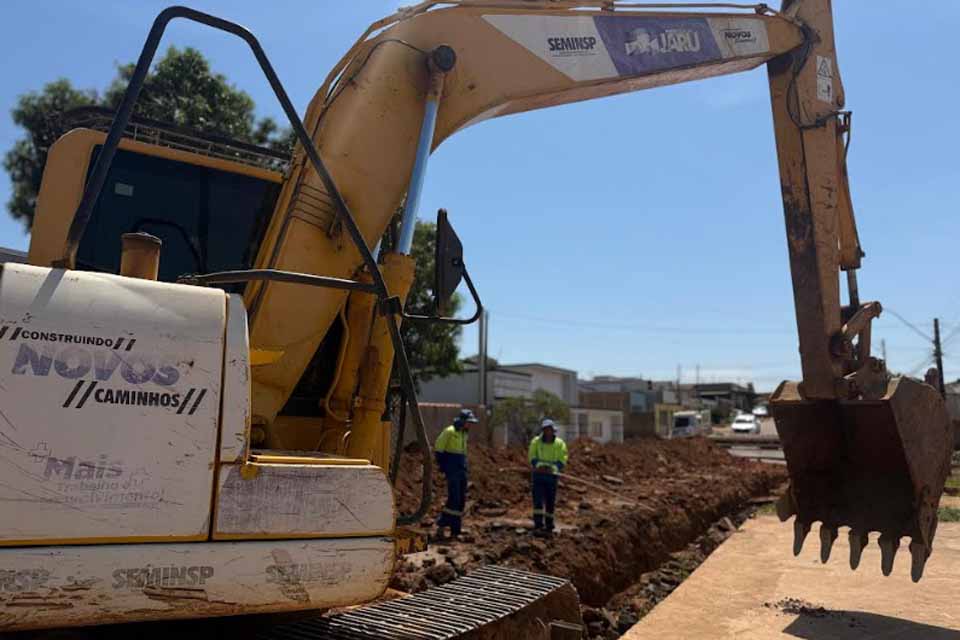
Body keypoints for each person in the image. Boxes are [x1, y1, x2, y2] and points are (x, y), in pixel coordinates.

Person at [434, 408, 478, 538]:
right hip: (452, 469)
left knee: (461, 500)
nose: (470, 425)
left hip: (461, 469)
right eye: (468, 422)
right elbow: (438, 448)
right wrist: (443, 466)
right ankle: (442, 525)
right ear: (462, 421)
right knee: (454, 498)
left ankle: (455, 530)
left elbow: (462, 453)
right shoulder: (449, 431)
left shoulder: (464, 434)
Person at [528, 418, 568, 536]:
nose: (548, 432)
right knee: (538, 501)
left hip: (552, 476)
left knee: (550, 501)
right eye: (546, 429)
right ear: (543, 430)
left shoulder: (560, 443)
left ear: (553, 430)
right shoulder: (536, 441)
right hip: (538, 475)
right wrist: (539, 466)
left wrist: (553, 469)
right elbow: (532, 456)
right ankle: (538, 525)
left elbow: (562, 459)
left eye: (550, 429)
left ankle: (549, 525)